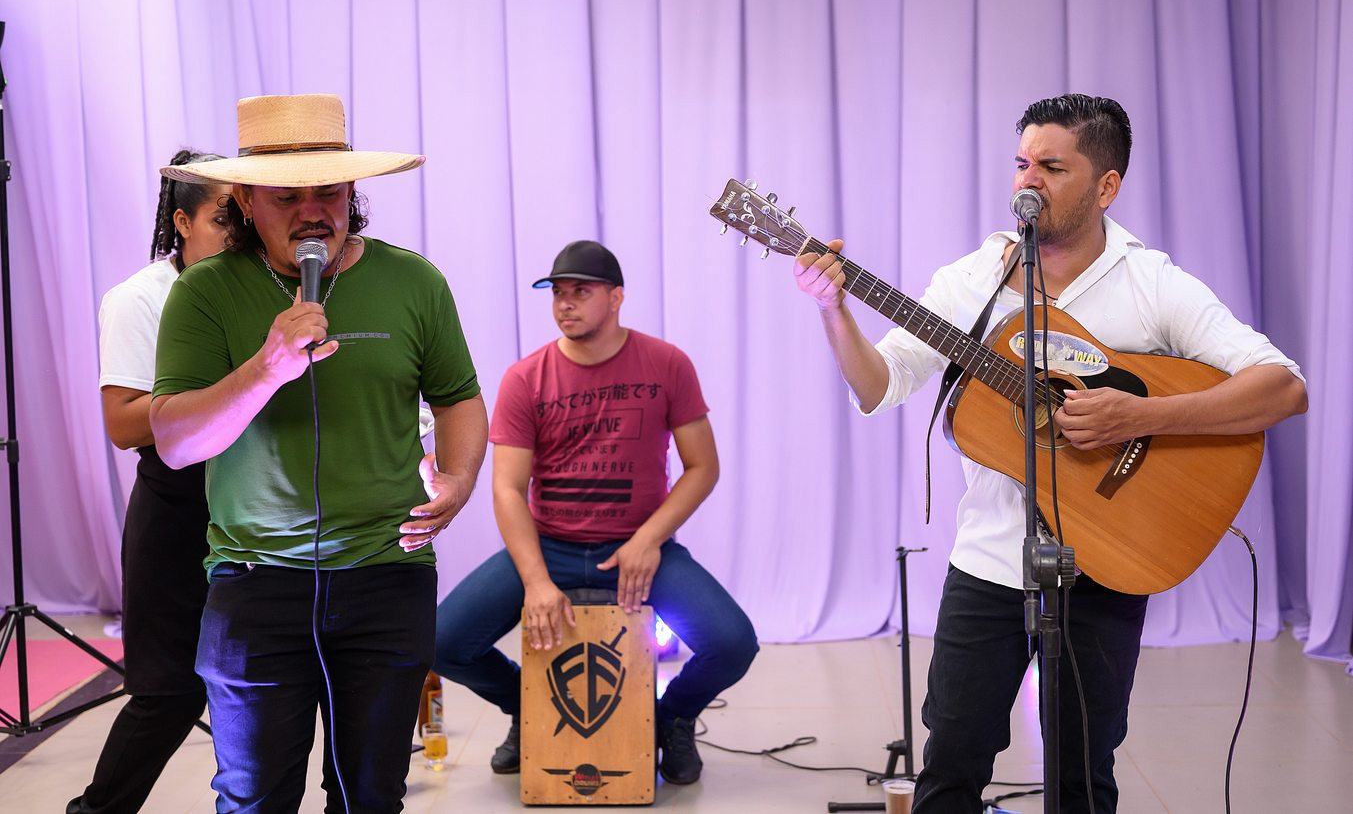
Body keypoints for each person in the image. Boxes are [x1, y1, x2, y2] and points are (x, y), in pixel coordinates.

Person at [792, 94, 1307, 813]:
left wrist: (1140, 414)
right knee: (950, 764)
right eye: (1020, 164)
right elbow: (880, 385)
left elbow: (1282, 387)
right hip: (989, 559)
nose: (1026, 181)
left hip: (1105, 562)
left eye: (1052, 168)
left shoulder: (1150, 282)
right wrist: (833, 309)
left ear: (1106, 186)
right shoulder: (971, 281)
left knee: (1082, 776)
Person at [150, 94, 488, 812]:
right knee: (253, 799)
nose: (312, 213)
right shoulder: (204, 293)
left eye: (328, 191)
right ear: (246, 201)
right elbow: (176, 443)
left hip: (387, 573)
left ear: (352, 190)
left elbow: (458, 396)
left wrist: (459, 480)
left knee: (371, 795)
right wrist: (265, 369)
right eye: (286, 196)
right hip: (255, 581)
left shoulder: (413, 282)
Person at [434, 240, 758, 786]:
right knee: (442, 642)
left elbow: (703, 467)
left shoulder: (667, 364)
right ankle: (528, 710)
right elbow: (507, 489)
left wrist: (648, 540)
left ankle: (671, 719)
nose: (565, 303)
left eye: (580, 291)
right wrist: (537, 581)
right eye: (557, 292)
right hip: (550, 547)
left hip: (639, 545)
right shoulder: (526, 378)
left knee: (733, 643)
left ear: (616, 297)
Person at [69, 150, 229, 814]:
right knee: (169, 692)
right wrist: (237, 391)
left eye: (246, 219)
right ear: (183, 223)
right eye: (223, 219)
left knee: (264, 685)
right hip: (178, 508)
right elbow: (124, 424)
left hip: (253, 504)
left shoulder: (260, 286)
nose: (238, 234)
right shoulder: (140, 297)